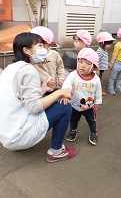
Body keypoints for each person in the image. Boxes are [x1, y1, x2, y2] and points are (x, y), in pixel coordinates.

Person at [0, 32, 78, 162]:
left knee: (53, 100)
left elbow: (20, 97)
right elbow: (33, 107)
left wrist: (42, 90)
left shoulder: (10, 68)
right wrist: (59, 92)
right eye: (40, 46)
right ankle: (56, 151)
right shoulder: (29, 70)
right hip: (18, 136)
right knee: (64, 106)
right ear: (26, 50)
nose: (44, 50)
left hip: (6, 134)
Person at [30, 26, 65, 92]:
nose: (42, 46)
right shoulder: (34, 57)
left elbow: (60, 67)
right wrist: (46, 79)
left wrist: (60, 78)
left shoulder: (54, 54)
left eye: (44, 43)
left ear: (49, 43)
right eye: (39, 44)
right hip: (40, 89)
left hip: (54, 87)